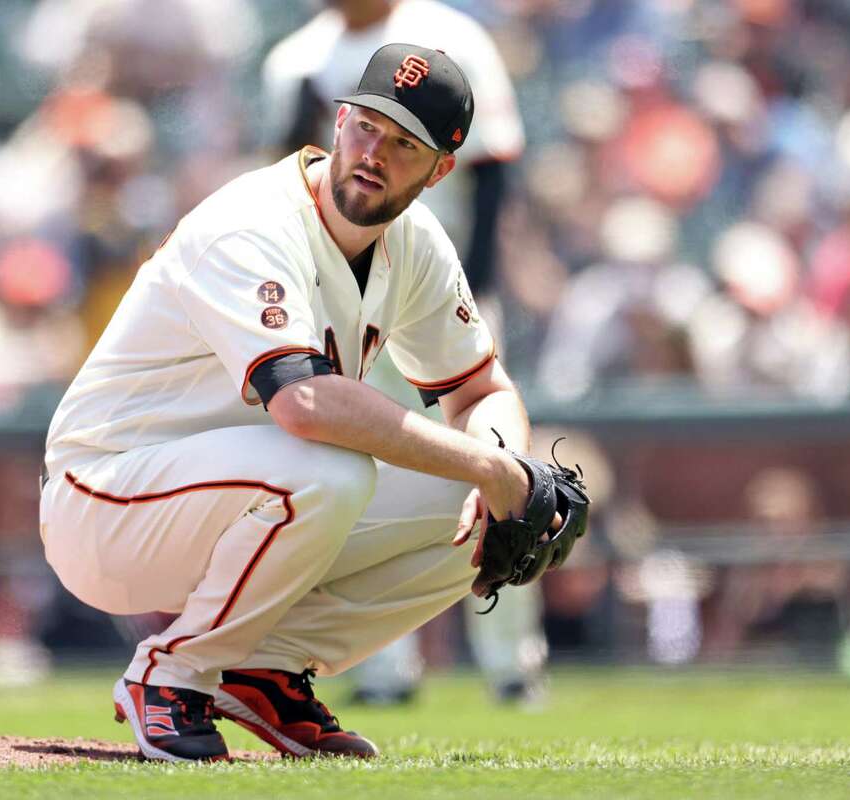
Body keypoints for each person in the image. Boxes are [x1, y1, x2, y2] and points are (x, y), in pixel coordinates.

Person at [40, 44, 540, 763]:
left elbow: (482, 391)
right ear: (338, 122)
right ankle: (168, 677)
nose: (374, 153)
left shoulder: (416, 245)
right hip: (107, 499)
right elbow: (303, 403)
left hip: (242, 496)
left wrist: (502, 468)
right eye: (367, 125)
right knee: (332, 471)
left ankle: (262, 669)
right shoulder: (253, 219)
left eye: (404, 144)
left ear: (439, 171)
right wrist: (493, 466)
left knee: (493, 513)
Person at [262, 0, 545, 704]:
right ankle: (380, 670)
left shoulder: (452, 37)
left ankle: (512, 666)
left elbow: (491, 177)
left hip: (435, 291)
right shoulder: (294, 58)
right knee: (348, 476)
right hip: (342, 301)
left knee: (492, 473)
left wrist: (471, 303)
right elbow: (285, 182)